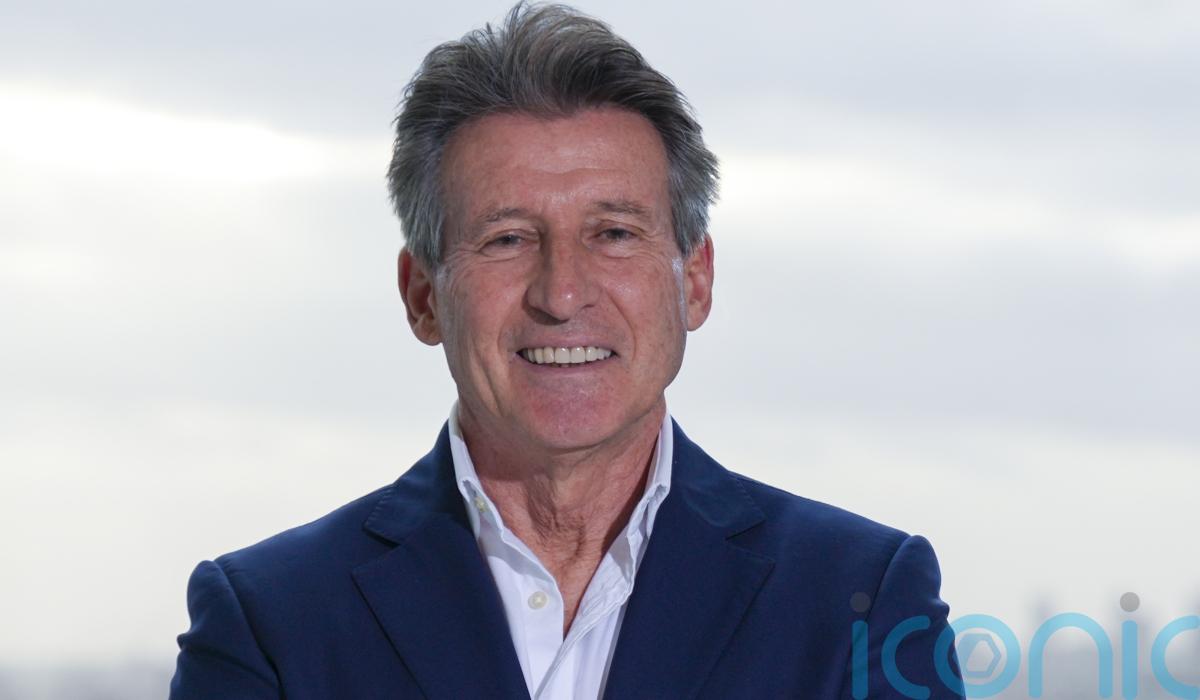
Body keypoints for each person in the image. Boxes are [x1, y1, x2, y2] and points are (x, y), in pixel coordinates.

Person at [169, 3, 965, 698]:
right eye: (507, 239)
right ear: (422, 296)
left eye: (613, 234)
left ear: (694, 281)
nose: (561, 293)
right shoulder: (269, 621)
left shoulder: (863, 598)